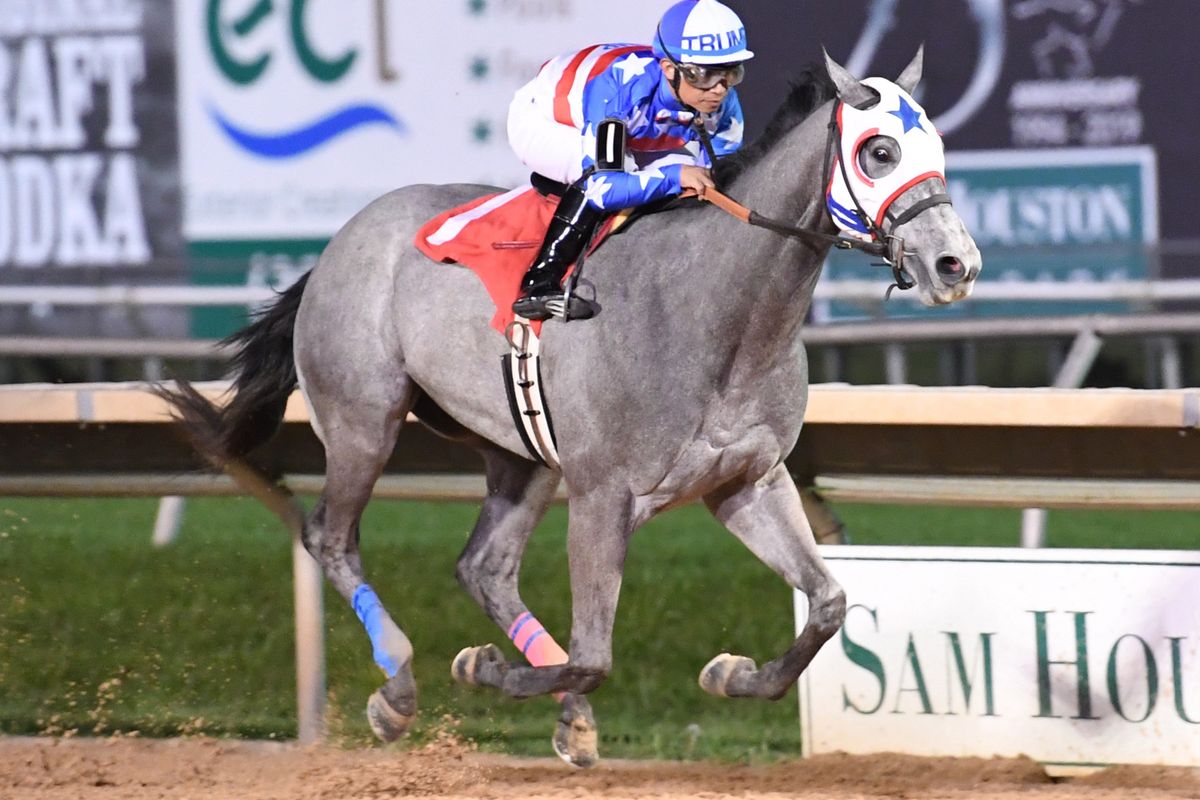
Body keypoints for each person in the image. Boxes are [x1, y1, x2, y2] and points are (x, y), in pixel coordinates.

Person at [506, 0, 754, 321]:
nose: (719, 90)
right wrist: (675, 175)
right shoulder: (621, 88)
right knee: (620, 177)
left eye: (731, 73)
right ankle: (540, 282)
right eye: (705, 75)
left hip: (637, 129)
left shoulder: (720, 99)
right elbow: (603, 188)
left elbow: (720, 179)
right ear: (669, 69)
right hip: (545, 120)